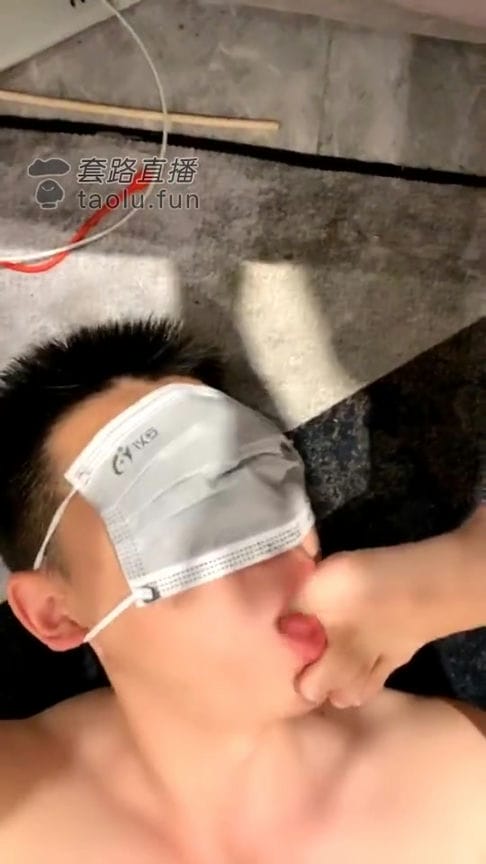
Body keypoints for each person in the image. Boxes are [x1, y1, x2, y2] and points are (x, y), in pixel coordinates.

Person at [0, 317, 484, 864]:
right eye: (187, 514)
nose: (285, 563)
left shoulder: (460, 779)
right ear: (54, 614)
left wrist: (459, 577)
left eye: (272, 488)